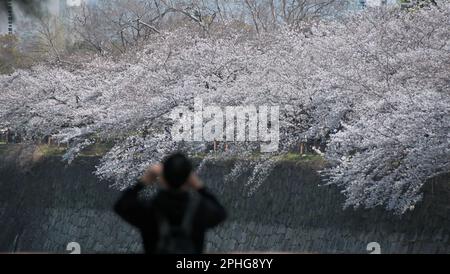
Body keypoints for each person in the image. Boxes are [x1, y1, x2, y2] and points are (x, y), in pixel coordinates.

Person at [114, 152, 227, 254]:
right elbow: (221, 213)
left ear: (162, 178)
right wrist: (199, 186)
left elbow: (120, 205)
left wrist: (144, 180)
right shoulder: (200, 210)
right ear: (189, 179)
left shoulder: (148, 209)